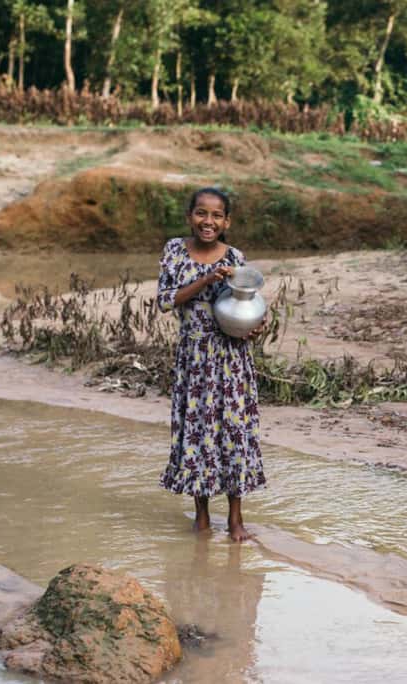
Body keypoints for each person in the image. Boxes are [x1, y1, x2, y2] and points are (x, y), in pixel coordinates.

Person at [156, 187, 265, 542]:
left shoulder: (235, 256)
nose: (209, 221)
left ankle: (235, 520)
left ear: (226, 222)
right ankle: (201, 518)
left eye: (217, 216)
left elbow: (246, 303)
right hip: (195, 360)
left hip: (232, 361)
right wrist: (206, 279)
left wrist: (254, 328)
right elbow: (166, 301)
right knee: (197, 436)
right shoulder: (175, 250)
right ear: (190, 217)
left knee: (235, 435)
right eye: (202, 213)